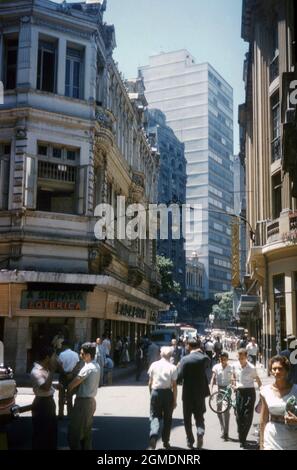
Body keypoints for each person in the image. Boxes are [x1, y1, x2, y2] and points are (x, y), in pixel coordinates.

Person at [177, 339, 210, 449]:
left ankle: (190, 440)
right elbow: (208, 361)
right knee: (199, 417)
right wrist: (201, 352)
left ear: (189, 346)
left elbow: (179, 377)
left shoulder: (184, 360)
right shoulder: (203, 358)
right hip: (200, 393)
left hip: (187, 394)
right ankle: (200, 432)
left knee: (187, 419)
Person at [259, 355, 297, 450]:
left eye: (280, 369)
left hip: (292, 437)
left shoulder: (295, 390)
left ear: (286, 370)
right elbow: (263, 419)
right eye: (274, 369)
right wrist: (261, 443)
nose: (277, 372)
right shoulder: (265, 391)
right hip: (271, 437)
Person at [68, 342, 100, 450]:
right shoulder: (96, 365)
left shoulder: (87, 368)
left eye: (82, 354)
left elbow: (73, 384)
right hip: (90, 401)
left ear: (88, 355)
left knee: (75, 433)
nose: (80, 356)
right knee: (86, 433)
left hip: (83, 402)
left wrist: (68, 389)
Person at [148, 346, 178, 450]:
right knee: (168, 418)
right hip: (167, 393)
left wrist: (151, 394)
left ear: (161, 354)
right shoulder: (173, 367)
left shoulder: (154, 365)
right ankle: (166, 441)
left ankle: (153, 435)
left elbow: (150, 382)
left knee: (155, 416)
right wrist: (174, 400)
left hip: (155, 392)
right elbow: (174, 386)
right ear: (170, 356)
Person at [232, 348, 262, 448]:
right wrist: (233, 385)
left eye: (242, 358)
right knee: (238, 416)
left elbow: (257, 379)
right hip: (239, 392)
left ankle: (243, 439)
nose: (240, 360)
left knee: (247, 416)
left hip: (249, 392)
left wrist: (262, 392)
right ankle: (240, 432)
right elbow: (233, 377)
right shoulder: (235, 366)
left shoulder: (252, 367)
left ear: (246, 357)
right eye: (239, 358)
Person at [30, 346, 57, 449]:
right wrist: (52, 371)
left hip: (49, 402)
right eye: (54, 357)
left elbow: (47, 385)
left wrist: (54, 385)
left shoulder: (45, 369)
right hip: (42, 404)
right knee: (41, 433)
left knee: (51, 432)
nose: (56, 360)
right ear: (47, 358)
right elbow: (45, 387)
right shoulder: (36, 371)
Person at [210, 352, 233, 441]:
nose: (223, 360)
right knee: (219, 411)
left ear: (227, 359)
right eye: (221, 359)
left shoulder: (231, 367)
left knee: (225, 411)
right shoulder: (216, 367)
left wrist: (233, 385)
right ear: (220, 359)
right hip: (219, 390)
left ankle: (226, 432)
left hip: (227, 390)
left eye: (225, 359)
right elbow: (213, 378)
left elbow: (233, 378)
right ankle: (223, 428)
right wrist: (211, 390)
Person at [58, 340, 80, 418]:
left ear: (64, 346)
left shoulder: (61, 354)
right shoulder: (75, 354)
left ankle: (60, 414)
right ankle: (70, 414)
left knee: (61, 395)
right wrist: (72, 373)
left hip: (63, 377)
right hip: (72, 377)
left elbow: (59, 366)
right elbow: (77, 365)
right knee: (70, 396)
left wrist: (64, 373)